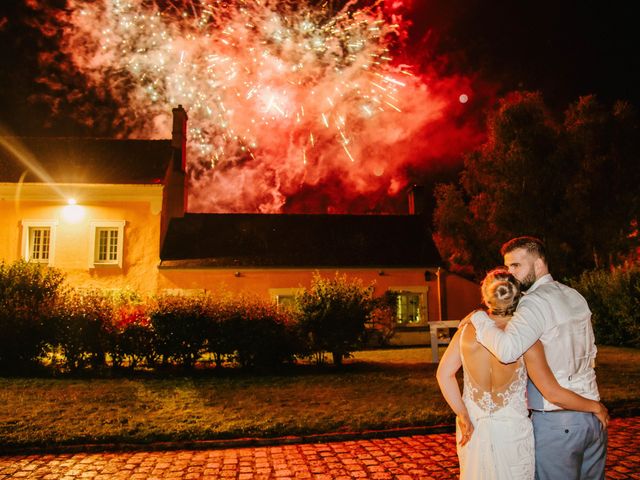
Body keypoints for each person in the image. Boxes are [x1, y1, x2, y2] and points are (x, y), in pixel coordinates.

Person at [437, 267, 608, 480]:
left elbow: (444, 375)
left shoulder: (466, 331)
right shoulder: (527, 340)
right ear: (518, 297)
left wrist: (462, 414)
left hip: (474, 427)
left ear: (485, 296)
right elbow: (551, 391)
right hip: (512, 432)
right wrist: (595, 407)